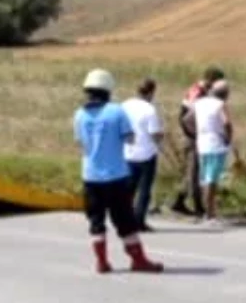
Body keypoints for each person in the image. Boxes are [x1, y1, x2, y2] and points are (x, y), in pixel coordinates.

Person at [74, 68, 164, 275]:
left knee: (96, 221)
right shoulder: (116, 111)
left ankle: (102, 262)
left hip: (90, 176)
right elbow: (129, 138)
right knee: (125, 220)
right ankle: (138, 259)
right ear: (108, 90)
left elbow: (80, 142)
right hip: (115, 175)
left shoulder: (79, 114)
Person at [170, 66, 225, 217]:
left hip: (194, 134)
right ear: (211, 80)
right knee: (195, 172)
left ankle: (179, 201)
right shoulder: (199, 93)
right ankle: (199, 207)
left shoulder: (197, 89)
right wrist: (194, 134)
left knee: (191, 171)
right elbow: (188, 117)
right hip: (193, 136)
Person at [189, 78, 232, 226]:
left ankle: (206, 211)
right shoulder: (221, 105)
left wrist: (196, 132)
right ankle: (210, 214)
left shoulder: (199, 103)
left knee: (204, 178)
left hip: (202, 143)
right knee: (212, 180)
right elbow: (226, 123)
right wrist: (228, 137)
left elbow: (188, 119)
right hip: (216, 144)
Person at [122, 78, 164, 231]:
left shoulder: (125, 105)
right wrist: (161, 137)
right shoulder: (149, 109)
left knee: (128, 189)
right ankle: (138, 220)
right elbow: (154, 133)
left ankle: (124, 219)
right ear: (151, 92)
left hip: (128, 152)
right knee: (144, 190)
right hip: (146, 153)